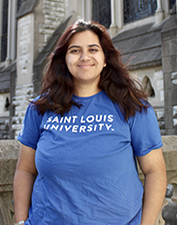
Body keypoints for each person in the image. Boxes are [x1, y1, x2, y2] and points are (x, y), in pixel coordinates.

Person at [13, 19, 167, 225]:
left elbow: (154, 171)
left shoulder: (132, 107)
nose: (84, 57)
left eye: (93, 49)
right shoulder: (41, 109)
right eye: (75, 50)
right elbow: (25, 169)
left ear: (105, 59)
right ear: (64, 59)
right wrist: (21, 221)